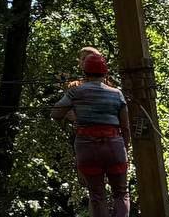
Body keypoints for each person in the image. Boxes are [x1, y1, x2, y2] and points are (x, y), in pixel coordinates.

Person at [51, 49, 131, 217]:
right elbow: (125, 127)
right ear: (104, 72)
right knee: (121, 193)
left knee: (97, 195)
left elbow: (55, 114)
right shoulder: (117, 94)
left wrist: (74, 115)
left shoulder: (76, 92)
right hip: (114, 145)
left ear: (85, 71)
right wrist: (125, 148)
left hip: (86, 146)